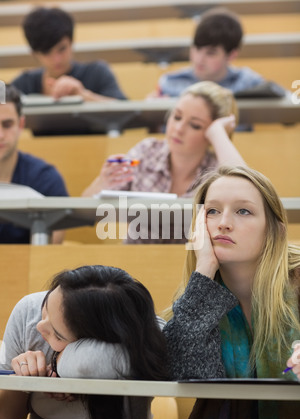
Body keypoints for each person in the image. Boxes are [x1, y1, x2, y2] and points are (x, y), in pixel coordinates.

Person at [163, 165, 300, 419]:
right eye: (212, 211)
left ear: (274, 230)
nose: (223, 223)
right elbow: (184, 370)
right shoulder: (200, 295)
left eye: (243, 211)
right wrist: (203, 269)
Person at [0, 265, 167, 419]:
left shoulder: (144, 333)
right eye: (46, 307)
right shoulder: (29, 312)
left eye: (57, 334)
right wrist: (23, 380)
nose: (40, 326)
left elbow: (87, 364)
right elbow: (5, 418)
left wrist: (60, 364)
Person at [83, 81, 246, 243]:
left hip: (192, 263)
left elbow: (244, 188)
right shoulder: (146, 151)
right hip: (135, 258)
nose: (179, 128)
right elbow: (86, 208)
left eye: (195, 125)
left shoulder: (218, 170)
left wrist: (218, 133)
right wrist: (102, 182)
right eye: (177, 117)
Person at [150, 8, 285, 99]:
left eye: (211, 53)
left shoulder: (248, 81)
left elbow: (289, 112)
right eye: (196, 48)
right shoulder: (171, 83)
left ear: (231, 55)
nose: (199, 59)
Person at [0, 85, 68, 243]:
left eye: (7, 125)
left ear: (21, 124)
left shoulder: (45, 177)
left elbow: (51, 247)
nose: (0, 135)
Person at [12, 7, 126, 102]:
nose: (56, 59)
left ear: (71, 43)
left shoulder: (97, 72)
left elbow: (127, 111)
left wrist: (83, 95)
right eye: (46, 52)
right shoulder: (26, 82)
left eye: (61, 49)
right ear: (34, 54)